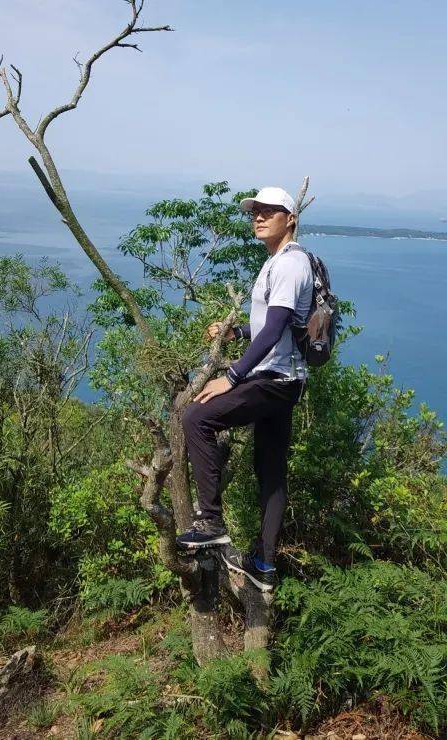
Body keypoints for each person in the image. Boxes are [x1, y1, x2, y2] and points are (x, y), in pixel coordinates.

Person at [175, 186, 314, 590]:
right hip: (287, 381)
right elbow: (276, 324)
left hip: (272, 381)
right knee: (270, 471)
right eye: (255, 211)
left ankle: (210, 521)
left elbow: (274, 329)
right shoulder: (279, 263)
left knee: (197, 416)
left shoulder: (289, 265)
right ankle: (264, 565)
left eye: (270, 211)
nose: (258, 217)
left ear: (290, 218)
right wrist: (237, 330)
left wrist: (232, 376)